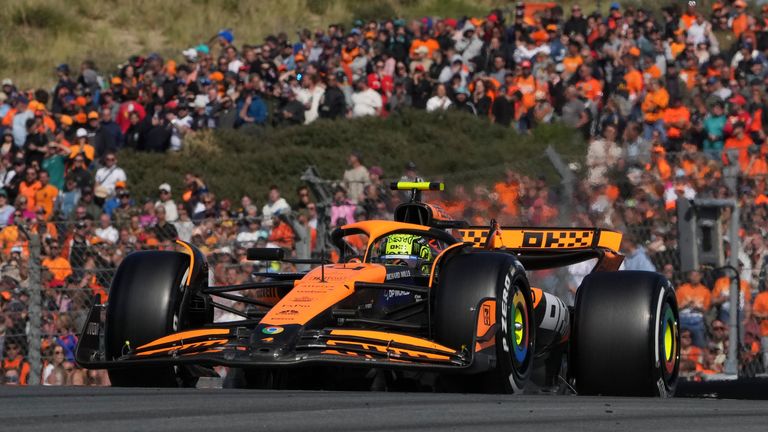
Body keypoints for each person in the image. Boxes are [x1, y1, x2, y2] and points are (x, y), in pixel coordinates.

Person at [677, 269, 711, 348]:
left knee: (700, 342)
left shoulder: (705, 291)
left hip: (697, 321)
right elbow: (676, 308)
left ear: (700, 277)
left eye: (697, 275)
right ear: (689, 277)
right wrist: (686, 305)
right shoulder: (681, 290)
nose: (695, 277)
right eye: (693, 275)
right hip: (683, 319)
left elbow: (707, 310)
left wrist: (697, 308)